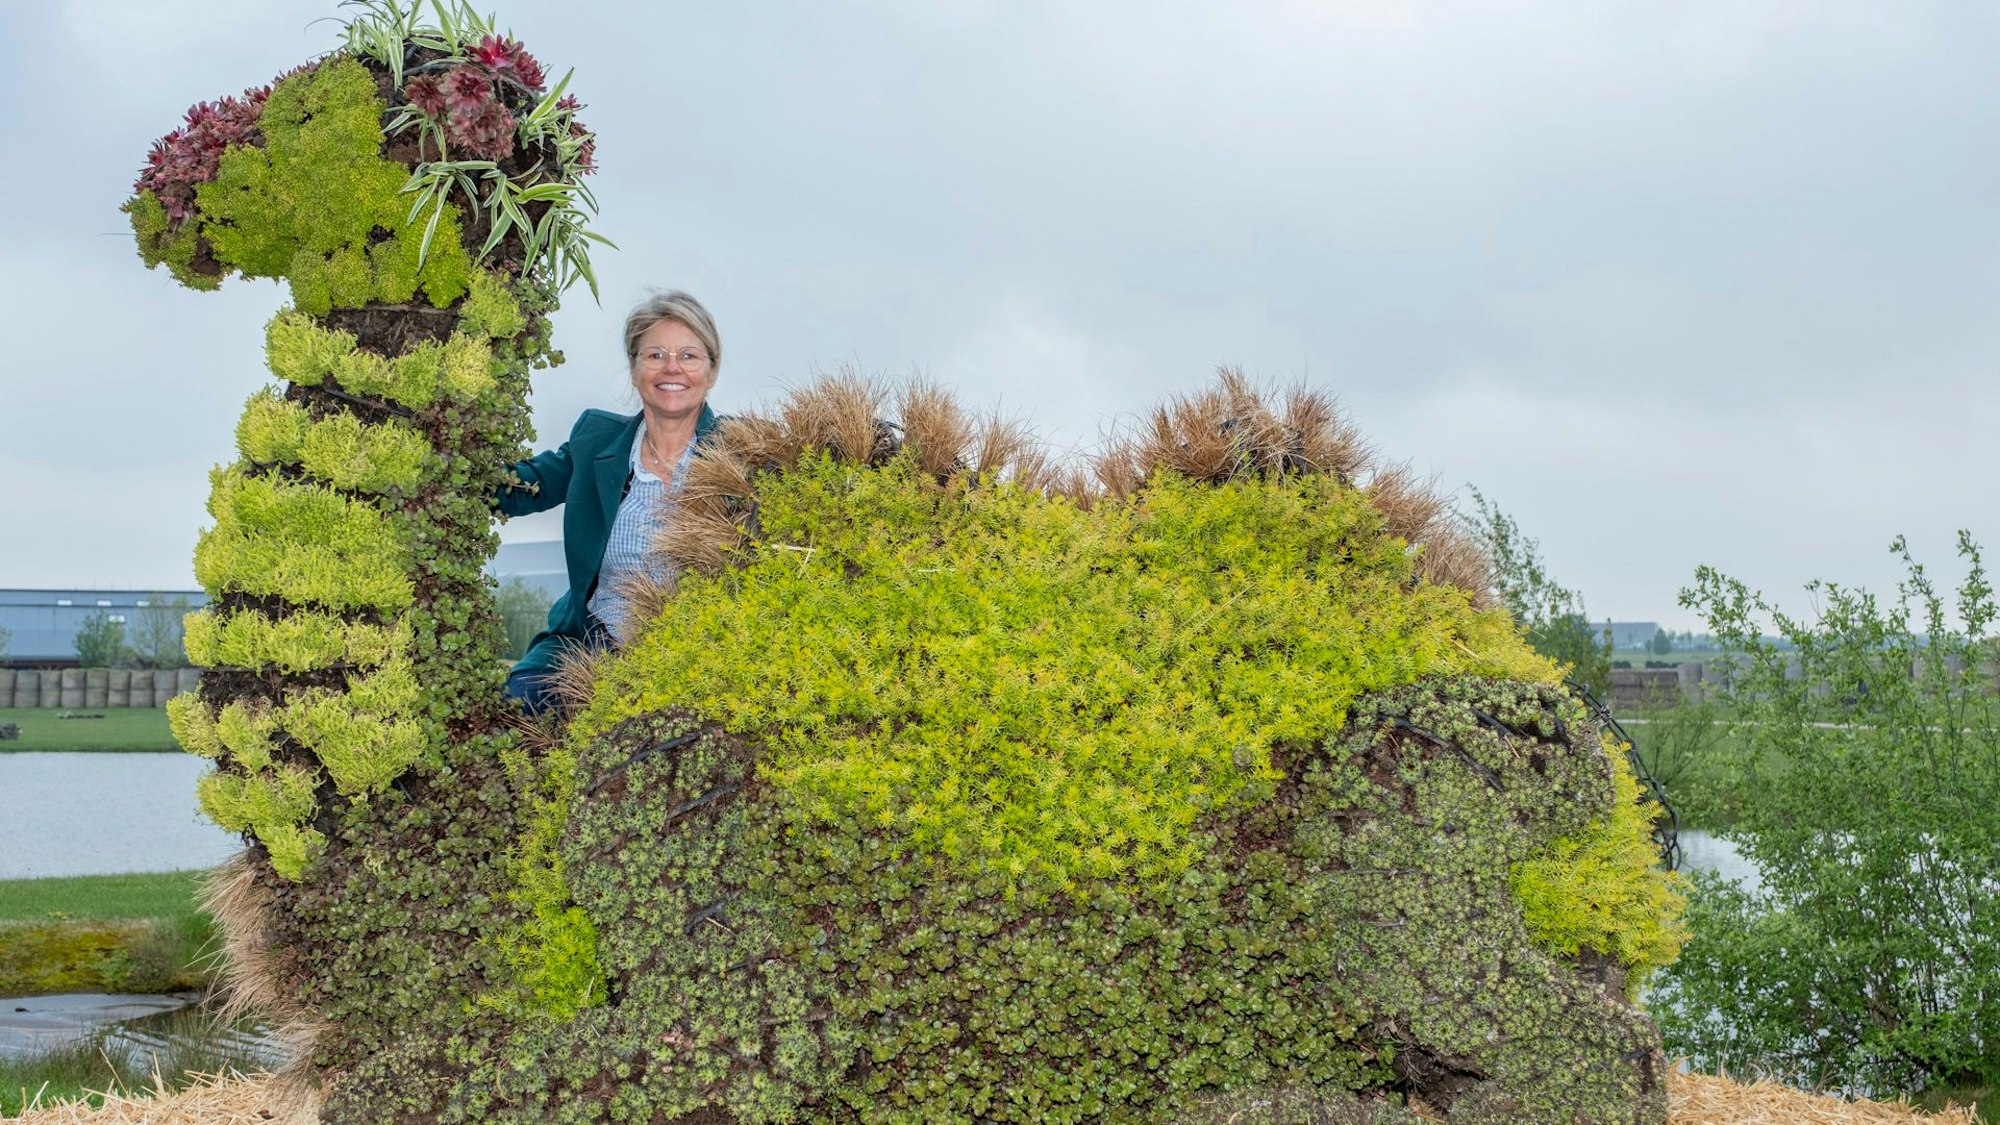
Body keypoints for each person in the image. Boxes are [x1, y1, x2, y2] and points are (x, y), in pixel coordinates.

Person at [497, 290, 723, 713]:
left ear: (711, 370)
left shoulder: (741, 452)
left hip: (694, 652)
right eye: (655, 354)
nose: (671, 367)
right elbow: (520, 488)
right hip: (590, 640)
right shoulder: (596, 439)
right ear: (634, 369)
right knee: (516, 706)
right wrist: (449, 461)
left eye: (688, 356)